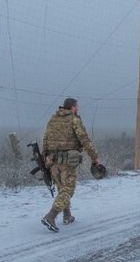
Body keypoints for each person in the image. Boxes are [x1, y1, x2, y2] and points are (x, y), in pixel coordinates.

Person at [40, 97, 101, 232]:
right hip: (68, 162)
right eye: (77, 106)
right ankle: (51, 216)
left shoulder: (52, 120)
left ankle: (67, 216)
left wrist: (45, 159)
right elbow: (84, 140)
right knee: (68, 189)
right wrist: (95, 157)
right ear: (73, 107)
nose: (78, 108)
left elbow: (45, 140)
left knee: (62, 188)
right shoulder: (74, 120)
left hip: (52, 161)